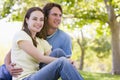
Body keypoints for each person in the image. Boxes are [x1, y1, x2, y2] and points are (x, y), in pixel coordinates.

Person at [4, 6, 83, 80]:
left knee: (58, 52)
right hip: (25, 78)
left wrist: (70, 61)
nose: (38, 22)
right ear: (27, 20)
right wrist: (65, 61)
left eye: (41, 20)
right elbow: (40, 58)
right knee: (62, 61)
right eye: (35, 19)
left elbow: (51, 58)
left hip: (37, 74)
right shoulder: (21, 35)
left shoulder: (41, 41)